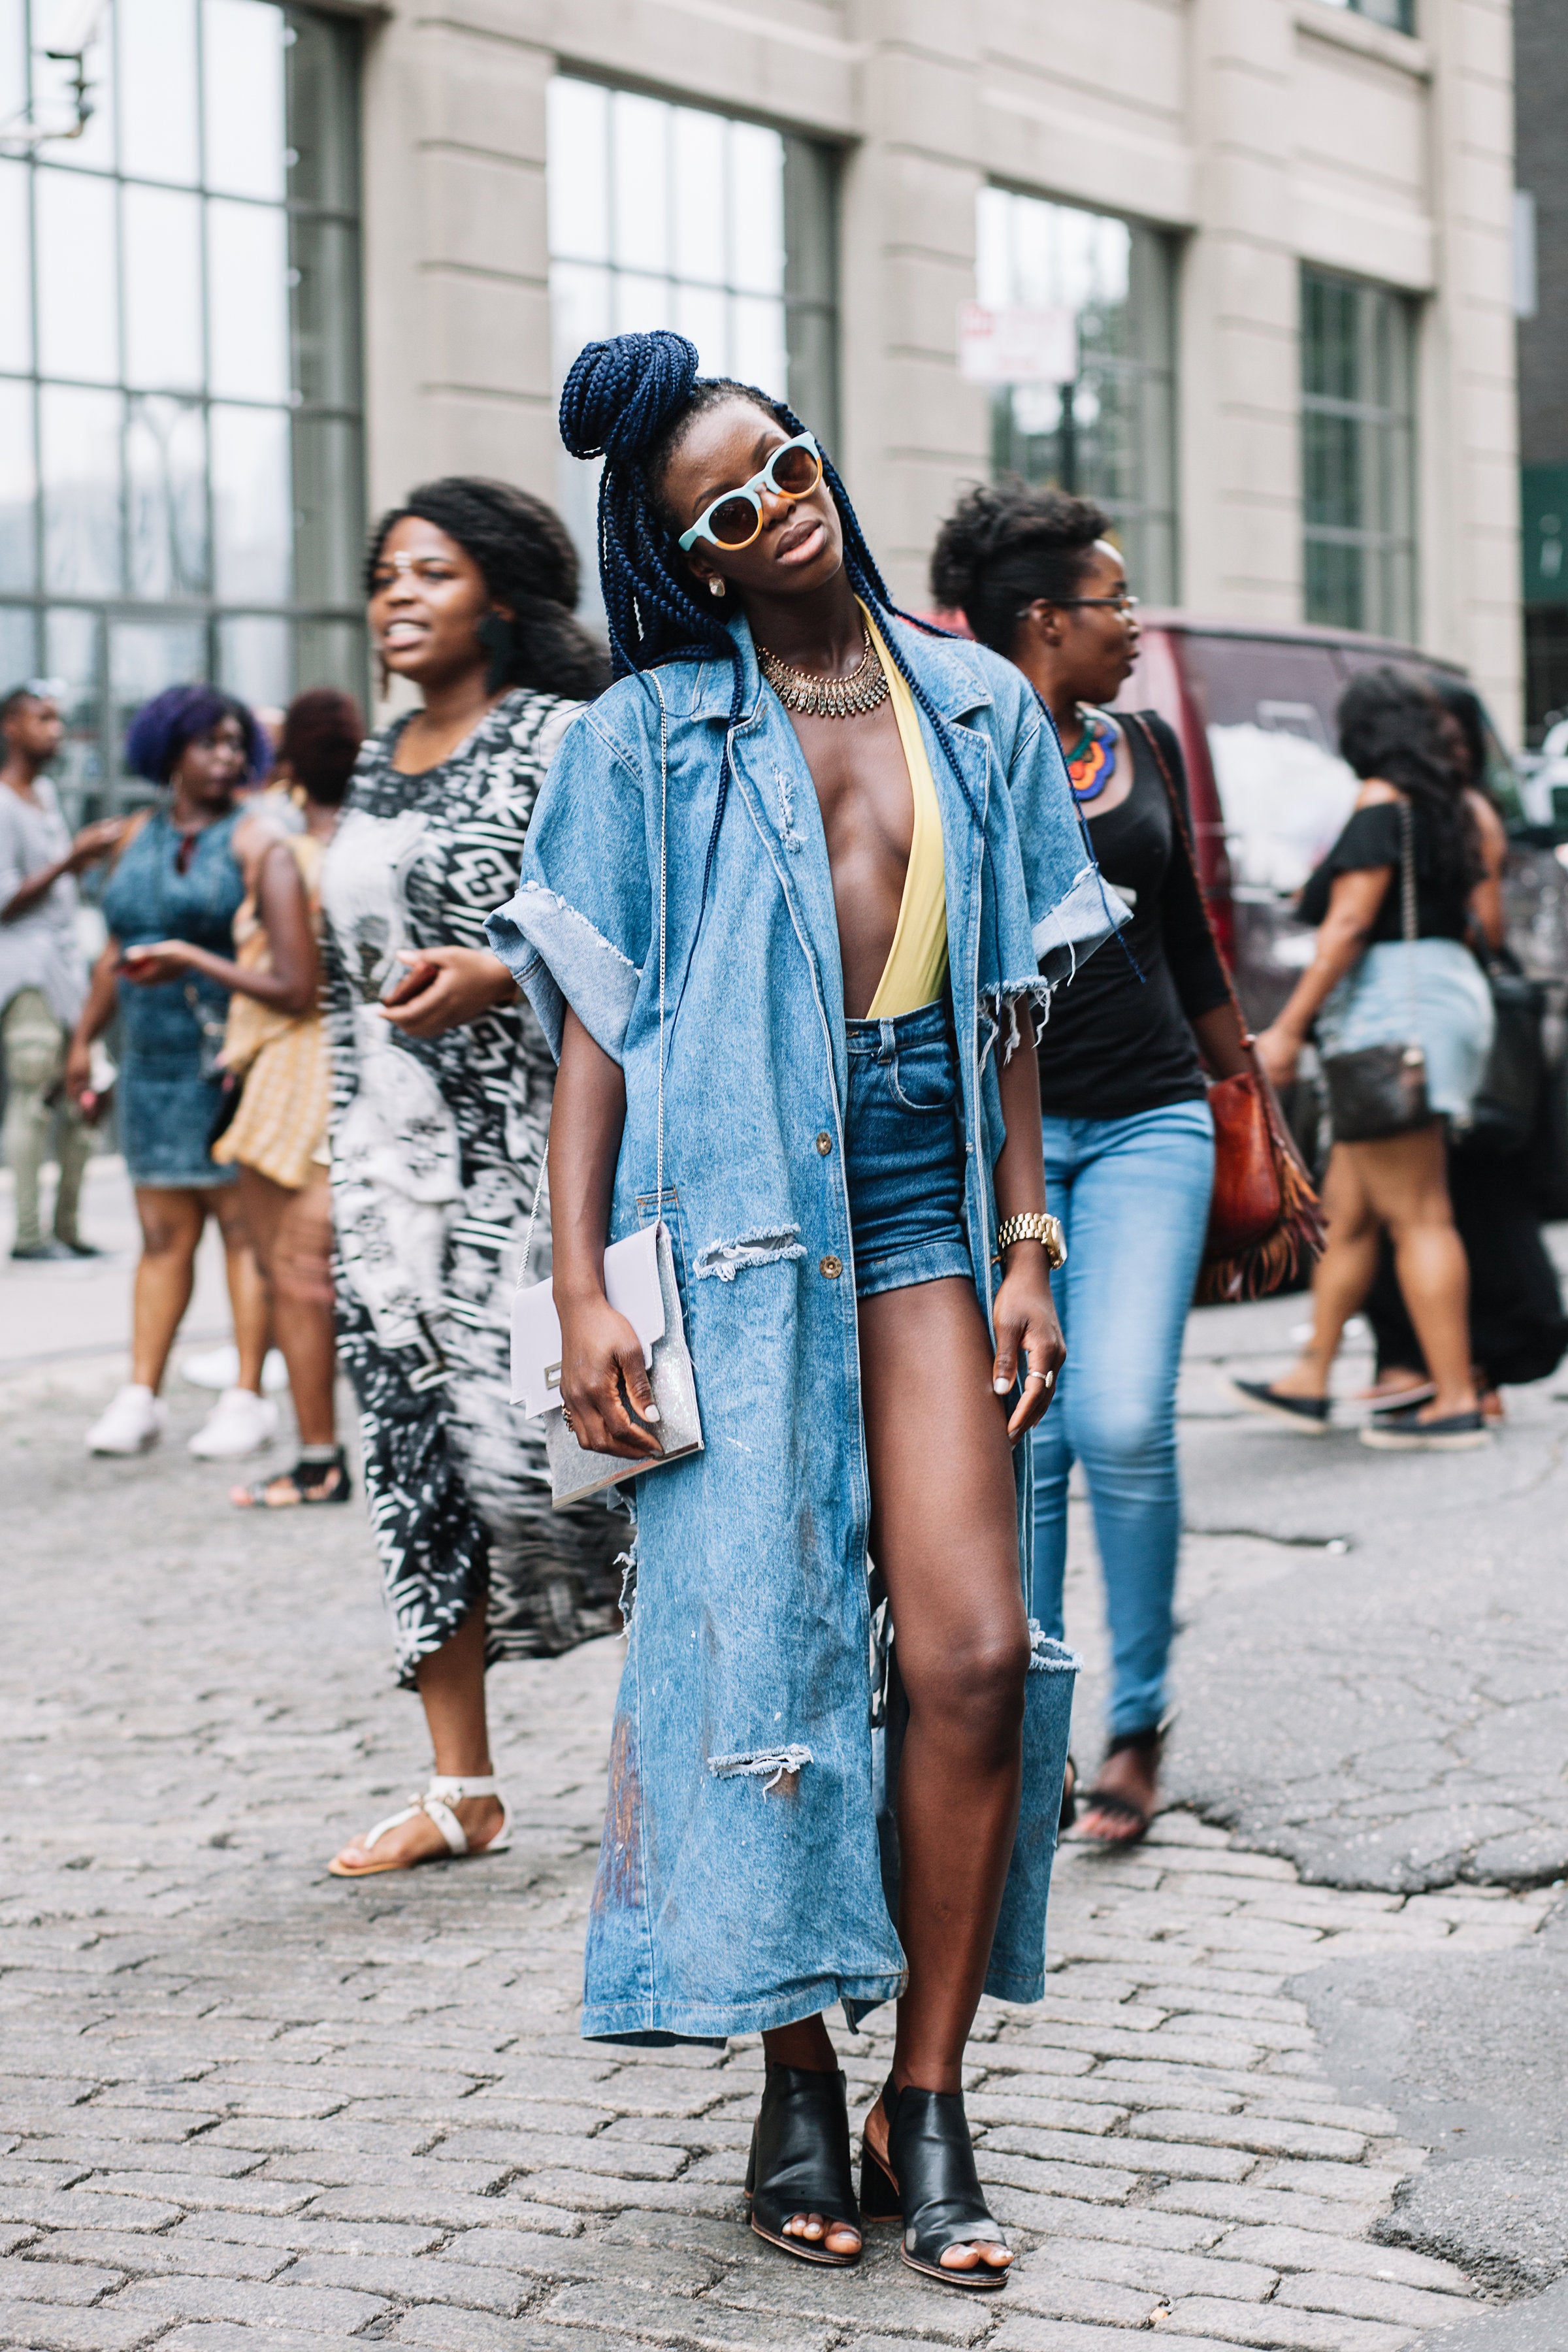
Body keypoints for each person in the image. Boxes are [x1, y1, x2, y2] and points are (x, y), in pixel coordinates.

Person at [485, 332, 1117, 2290]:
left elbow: (1011, 990)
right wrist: (580, 1281)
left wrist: (1029, 1231)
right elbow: (598, 1022)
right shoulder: (645, 737)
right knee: (755, 1663)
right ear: (689, 555)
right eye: (725, 508)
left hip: (925, 1196)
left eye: (783, 462)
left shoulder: (978, 713)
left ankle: (921, 2093)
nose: (778, 507)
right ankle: (789, 2074)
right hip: (737, 1216)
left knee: (970, 1655)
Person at [929, 482, 1252, 1848]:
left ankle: (1141, 1720)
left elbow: (1187, 939)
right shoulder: (949, 754)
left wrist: (1256, 1105)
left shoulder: (1145, 744)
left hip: (1151, 1121)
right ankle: (1042, 1731)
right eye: (1115, 603)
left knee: (1121, 1417)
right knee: (1030, 1432)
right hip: (1013, 1140)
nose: (1133, 624)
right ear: (1043, 621)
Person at [319, 476, 625, 1880]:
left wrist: (504, 973)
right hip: (392, 1184)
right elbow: (347, 986)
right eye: (387, 574)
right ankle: (461, 1788)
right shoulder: (383, 757)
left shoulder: (563, 740)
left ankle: (703, 1738)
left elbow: (636, 928)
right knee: (412, 1466)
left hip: (535, 1165)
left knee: (580, 1464)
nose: (398, 595)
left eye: (430, 573)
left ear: (499, 595)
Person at [1240, 668, 1497, 1449]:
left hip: (1391, 1013)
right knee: (1349, 1212)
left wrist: (1287, 1027)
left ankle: (1454, 1397)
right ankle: (1310, 1376)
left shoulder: (1382, 802)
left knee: (1419, 1214)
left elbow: (1348, 927)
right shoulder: (1454, 806)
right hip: (1441, 999)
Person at [137, 688, 363, 1506]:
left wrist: (190, 961)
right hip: (363, 1066)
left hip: (293, 1073)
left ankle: (317, 1458)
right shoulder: (377, 843)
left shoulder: (283, 852)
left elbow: (294, 986)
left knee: (293, 1273)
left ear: (290, 766)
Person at [67, 687, 277, 1460]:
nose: (227, 756)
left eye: (235, 743)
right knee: (161, 1234)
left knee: (241, 1234)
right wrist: (83, 1043)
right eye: (209, 743)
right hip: (148, 1061)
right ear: (169, 751)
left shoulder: (254, 839)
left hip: (224, 1056)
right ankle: (140, 1393)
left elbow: (274, 954)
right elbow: (109, 956)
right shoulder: (130, 836)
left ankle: (249, 1394)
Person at [1360, 679, 1568, 1421]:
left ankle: (1465, 1374)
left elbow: (1489, 930)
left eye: (1450, 731)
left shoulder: (1461, 811)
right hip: (1443, 1028)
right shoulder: (1429, 808)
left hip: (1446, 1034)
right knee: (1397, 1209)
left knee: (1452, 1206)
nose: (1440, 744)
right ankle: (1418, 1365)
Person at [0, 685, 125, 1260]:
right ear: (10, 728)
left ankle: (68, 1228)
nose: (54, 729)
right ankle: (29, 1237)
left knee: (84, 1094)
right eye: (41, 718)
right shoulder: (2, 804)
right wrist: (71, 861)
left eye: (57, 719)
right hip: (26, 977)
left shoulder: (46, 794)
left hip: (69, 973)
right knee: (32, 1096)